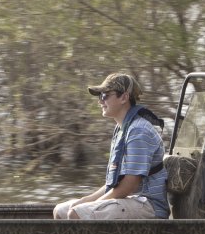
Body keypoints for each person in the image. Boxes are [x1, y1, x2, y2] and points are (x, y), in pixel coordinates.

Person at [54, 73, 170, 220]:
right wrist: (85, 200)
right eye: (99, 96)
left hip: (148, 205)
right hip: (129, 199)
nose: (100, 101)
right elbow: (114, 184)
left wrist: (93, 204)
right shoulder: (121, 129)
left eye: (105, 95)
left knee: (76, 214)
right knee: (60, 211)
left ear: (124, 97)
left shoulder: (138, 131)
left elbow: (130, 185)